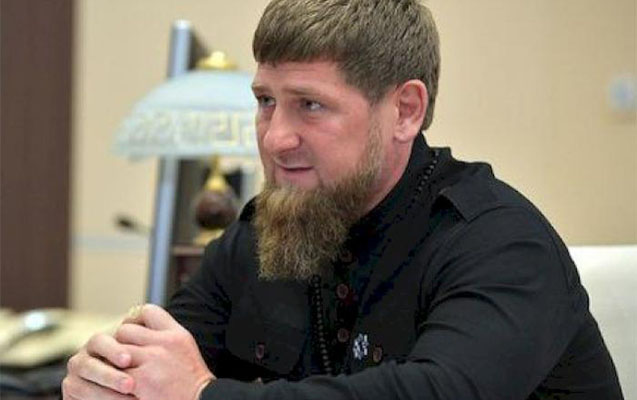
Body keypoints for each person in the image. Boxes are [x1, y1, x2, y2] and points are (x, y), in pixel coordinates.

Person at [62, 0, 625, 399]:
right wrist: (110, 377)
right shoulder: (264, 231)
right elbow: (159, 360)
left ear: (405, 110)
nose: (274, 138)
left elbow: (439, 391)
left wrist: (203, 394)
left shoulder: (501, 242)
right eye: (265, 101)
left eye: (309, 105)